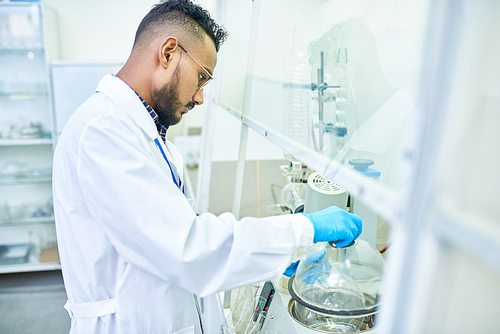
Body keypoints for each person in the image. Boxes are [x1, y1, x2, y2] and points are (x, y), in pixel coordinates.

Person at [52, 1, 362, 333]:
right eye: (201, 77)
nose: (200, 98)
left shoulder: (148, 138)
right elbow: (189, 249)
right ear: (168, 52)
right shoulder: (102, 133)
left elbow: (181, 239)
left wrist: (276, 256)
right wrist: (304, 229)